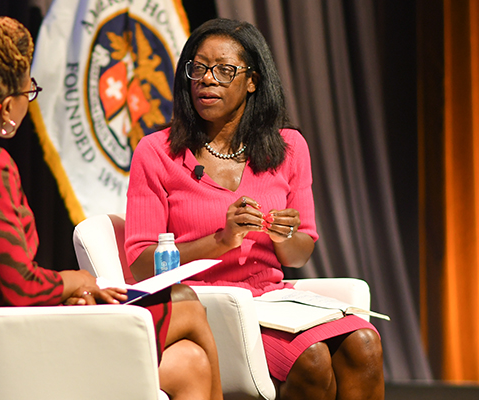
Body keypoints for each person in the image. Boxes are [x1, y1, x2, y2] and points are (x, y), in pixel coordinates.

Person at [0, 17, 222, 400]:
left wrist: (70, 296)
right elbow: (22, 289)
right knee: (187, 307)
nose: (28, 101)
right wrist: (77, 282)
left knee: (189, 364)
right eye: (27, 92)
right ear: (4, 107)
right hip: (14, 348)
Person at [125, 18, 384, 400]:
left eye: (224, 70)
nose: (207, 79)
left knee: (365, 344)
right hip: (206, 307)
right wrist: (222, 240)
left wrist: (285, 236)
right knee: (312, 361)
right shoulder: (157, 152)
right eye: (198, 68)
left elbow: (301, 251)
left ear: (253, 80)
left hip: (273, 301)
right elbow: (141, 263)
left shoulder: (289, 147)